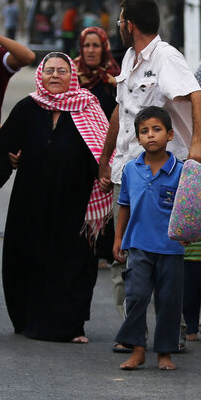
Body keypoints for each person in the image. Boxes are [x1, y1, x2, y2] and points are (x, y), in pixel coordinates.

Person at [0, 53, 113, 343]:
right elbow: (5, 147)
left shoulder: (89, 108)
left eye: (62, 71)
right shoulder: (28, 107)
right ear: (40, 75)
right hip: (31, 201)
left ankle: (72, 325)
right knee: (28, 256)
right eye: (50, 71)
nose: (55, 76)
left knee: (74, 262)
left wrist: (104, 177)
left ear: (72, 76)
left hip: (75, 202)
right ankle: (27, 319)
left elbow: (102, 153)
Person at [98, 0, 201, 332]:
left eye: (119, 20)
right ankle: (132, 333)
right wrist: (106, 157)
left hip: (164, 175)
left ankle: (169, 332)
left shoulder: (165, 57)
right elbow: (121, 110)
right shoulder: (130, 57)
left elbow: (197, 95)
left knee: (166, 259)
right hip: (127, 171)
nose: (118, 26)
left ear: (130, 25)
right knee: (124, 256)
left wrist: (199, 143)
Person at [113, 106, 184, 370]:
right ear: (137, 138)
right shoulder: (131, 169)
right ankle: (137, 348)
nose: (151, 136)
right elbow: (124, 206)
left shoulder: (181, 171)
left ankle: (165, 352)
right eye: (144, 131)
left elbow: (188, 209)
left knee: (169, 302)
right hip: (139, 245)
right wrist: (118, 238)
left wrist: (189, 235)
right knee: (136, 296)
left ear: (169, 134)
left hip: (171, 248)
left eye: (156, 130)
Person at [75, 25, 121, 270]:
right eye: (86, 45)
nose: (91, 50)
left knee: (106, 199)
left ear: (105, 48)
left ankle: (105, 251)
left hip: (108, 151)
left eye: (96, 45)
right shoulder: (70, 76)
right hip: (78, 150)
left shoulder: (114, 79)